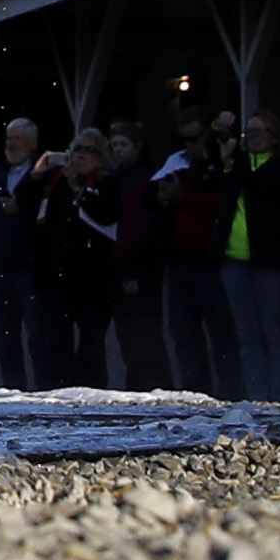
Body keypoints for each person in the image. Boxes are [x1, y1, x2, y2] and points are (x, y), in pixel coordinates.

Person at [155, 106, 239, 396]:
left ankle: (231, 393)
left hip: (211, 261)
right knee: (184, 334)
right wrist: (162, 198)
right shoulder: (178, 163)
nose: (189, 146)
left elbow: (223, 203)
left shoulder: (222, 164)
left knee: (222, 334)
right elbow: (151, 194)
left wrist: (184, 197)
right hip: (179, 261)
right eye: (184, 140)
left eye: (194, 139)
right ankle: (195, 392)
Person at [217, 112, 280, 401]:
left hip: (271, 263)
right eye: (248, 131)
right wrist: (222, 128)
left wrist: (233, 160)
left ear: (275, 137)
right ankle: (257, 395)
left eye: (260, 130)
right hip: (234, 261)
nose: (253, 136)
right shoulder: (237, 165)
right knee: (247, 333)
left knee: (274, 330)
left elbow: (261, 186)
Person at [32, 128, 118, 387]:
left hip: (93, 276)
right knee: (55, 339)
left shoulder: (107, 183)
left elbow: (105, 215)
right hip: (57, 274)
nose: (81, 155)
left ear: (100, 157)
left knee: (91, 341)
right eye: (77, 149)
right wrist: (36, 174)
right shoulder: (55, 181)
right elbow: (23, 205)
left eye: (89, 151)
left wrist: (76, 187)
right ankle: (56, 388)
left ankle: (91, 389)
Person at [0, 117, 53, 390]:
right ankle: (13, 388)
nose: (11, 144)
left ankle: (45, 388)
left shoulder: (45, 175)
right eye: (9, 138)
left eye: (18, 139)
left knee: (37, 333)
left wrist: (23, 207)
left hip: (28, 265)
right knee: (3, 334)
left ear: (32, 143)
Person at [102, 122, 171, 391]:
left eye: (123, 144)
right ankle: (138, 382)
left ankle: (152, 383)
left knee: (144, 329)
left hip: (140, 263)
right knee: (127, 332)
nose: (118, 150)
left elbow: (144, 225)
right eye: (114, 145)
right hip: (119, 262)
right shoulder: (116, 177)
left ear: (138, 147)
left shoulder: (145, 180)